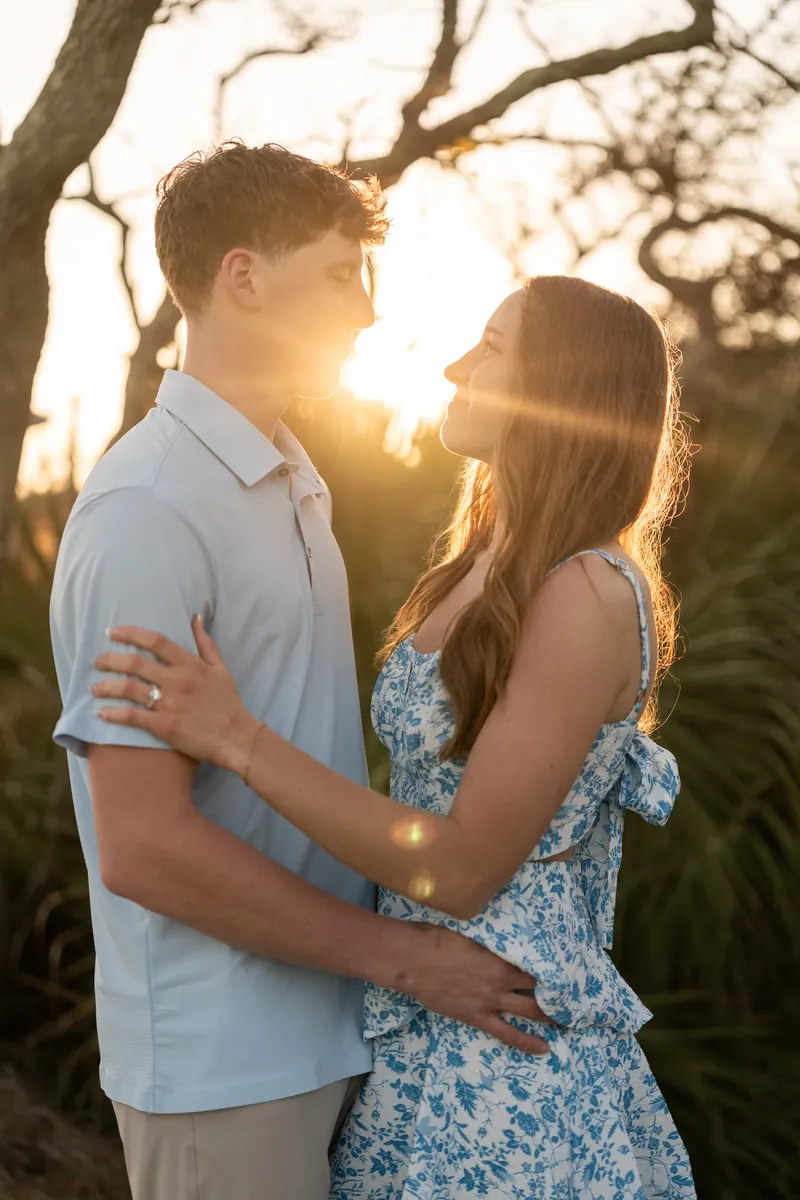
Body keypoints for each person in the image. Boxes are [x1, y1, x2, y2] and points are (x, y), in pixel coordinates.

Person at [92, 274, 697, 1197]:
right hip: (421, 1019)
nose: (457, 365)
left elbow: (459, 869)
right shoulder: (487, 562)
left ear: (559, 386)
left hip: (503, 1040)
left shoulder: (584, 592)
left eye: (491, 348)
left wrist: (238, 740)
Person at [49, 141, 551, 1200]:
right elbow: (142, 847)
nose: (364, 311)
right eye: (338, 275)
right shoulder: (148, 508)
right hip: (221, 1065)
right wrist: (402, 956)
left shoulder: (288, 478)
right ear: (243, 276)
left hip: (332, 1033)